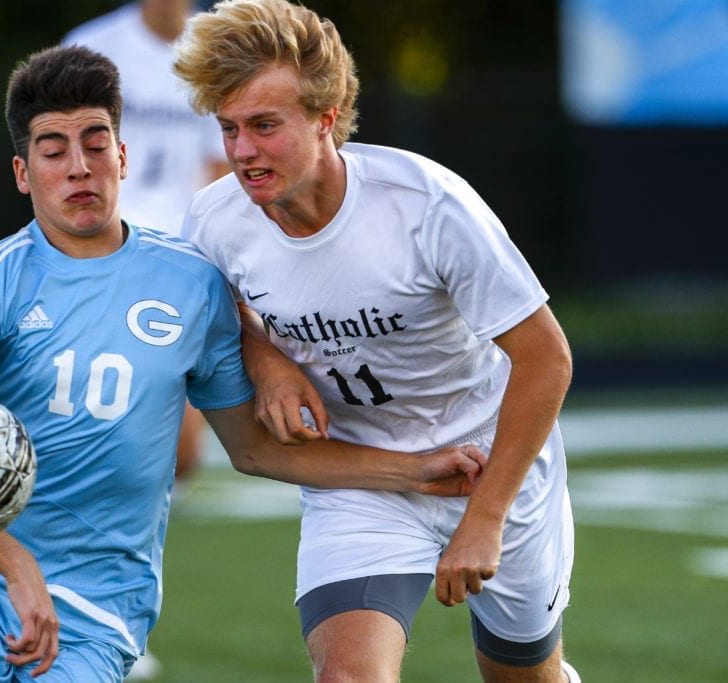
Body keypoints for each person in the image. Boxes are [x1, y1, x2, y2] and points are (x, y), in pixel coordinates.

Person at [0, 44, 488, 682]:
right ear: (24, 173)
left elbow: (256, 450)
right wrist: (14, 563)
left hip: (99, 610)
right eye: (54, 151)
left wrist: (413, 470)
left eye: (96, 143)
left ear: (124, 156)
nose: (79, 167)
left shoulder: (191, 282)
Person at [173, 1, 580, 682]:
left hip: (491, 468)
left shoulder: (428, 207)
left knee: (523, 676)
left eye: (265, 126)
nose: (242, 152)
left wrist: (485, 515)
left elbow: (547, 357)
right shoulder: (216, 221)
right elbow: (220, 315)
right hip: (357, 477)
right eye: (230, 128)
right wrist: (266, 357)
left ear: (326, 118)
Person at [63, 0, 231, 482]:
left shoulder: (216, 47)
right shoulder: (93, 48)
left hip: (181, 246)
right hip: (107, 235)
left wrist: (212, 246)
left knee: (182, 459)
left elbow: (221, 162)